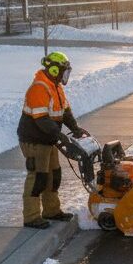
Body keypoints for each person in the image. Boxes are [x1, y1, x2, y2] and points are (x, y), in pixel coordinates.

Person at [17, 51, 89, 229]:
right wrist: (59, 135)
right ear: (55, 70)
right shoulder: (39, 88)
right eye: (64, 71)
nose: (66, 76)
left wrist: (75, 129)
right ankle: (31, 217)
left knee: (54, 175)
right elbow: (41, 119)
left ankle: (51, 211)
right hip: (34, 140)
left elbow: (65, 112)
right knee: (38, 177)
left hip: (49, 139)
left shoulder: (55, 87)